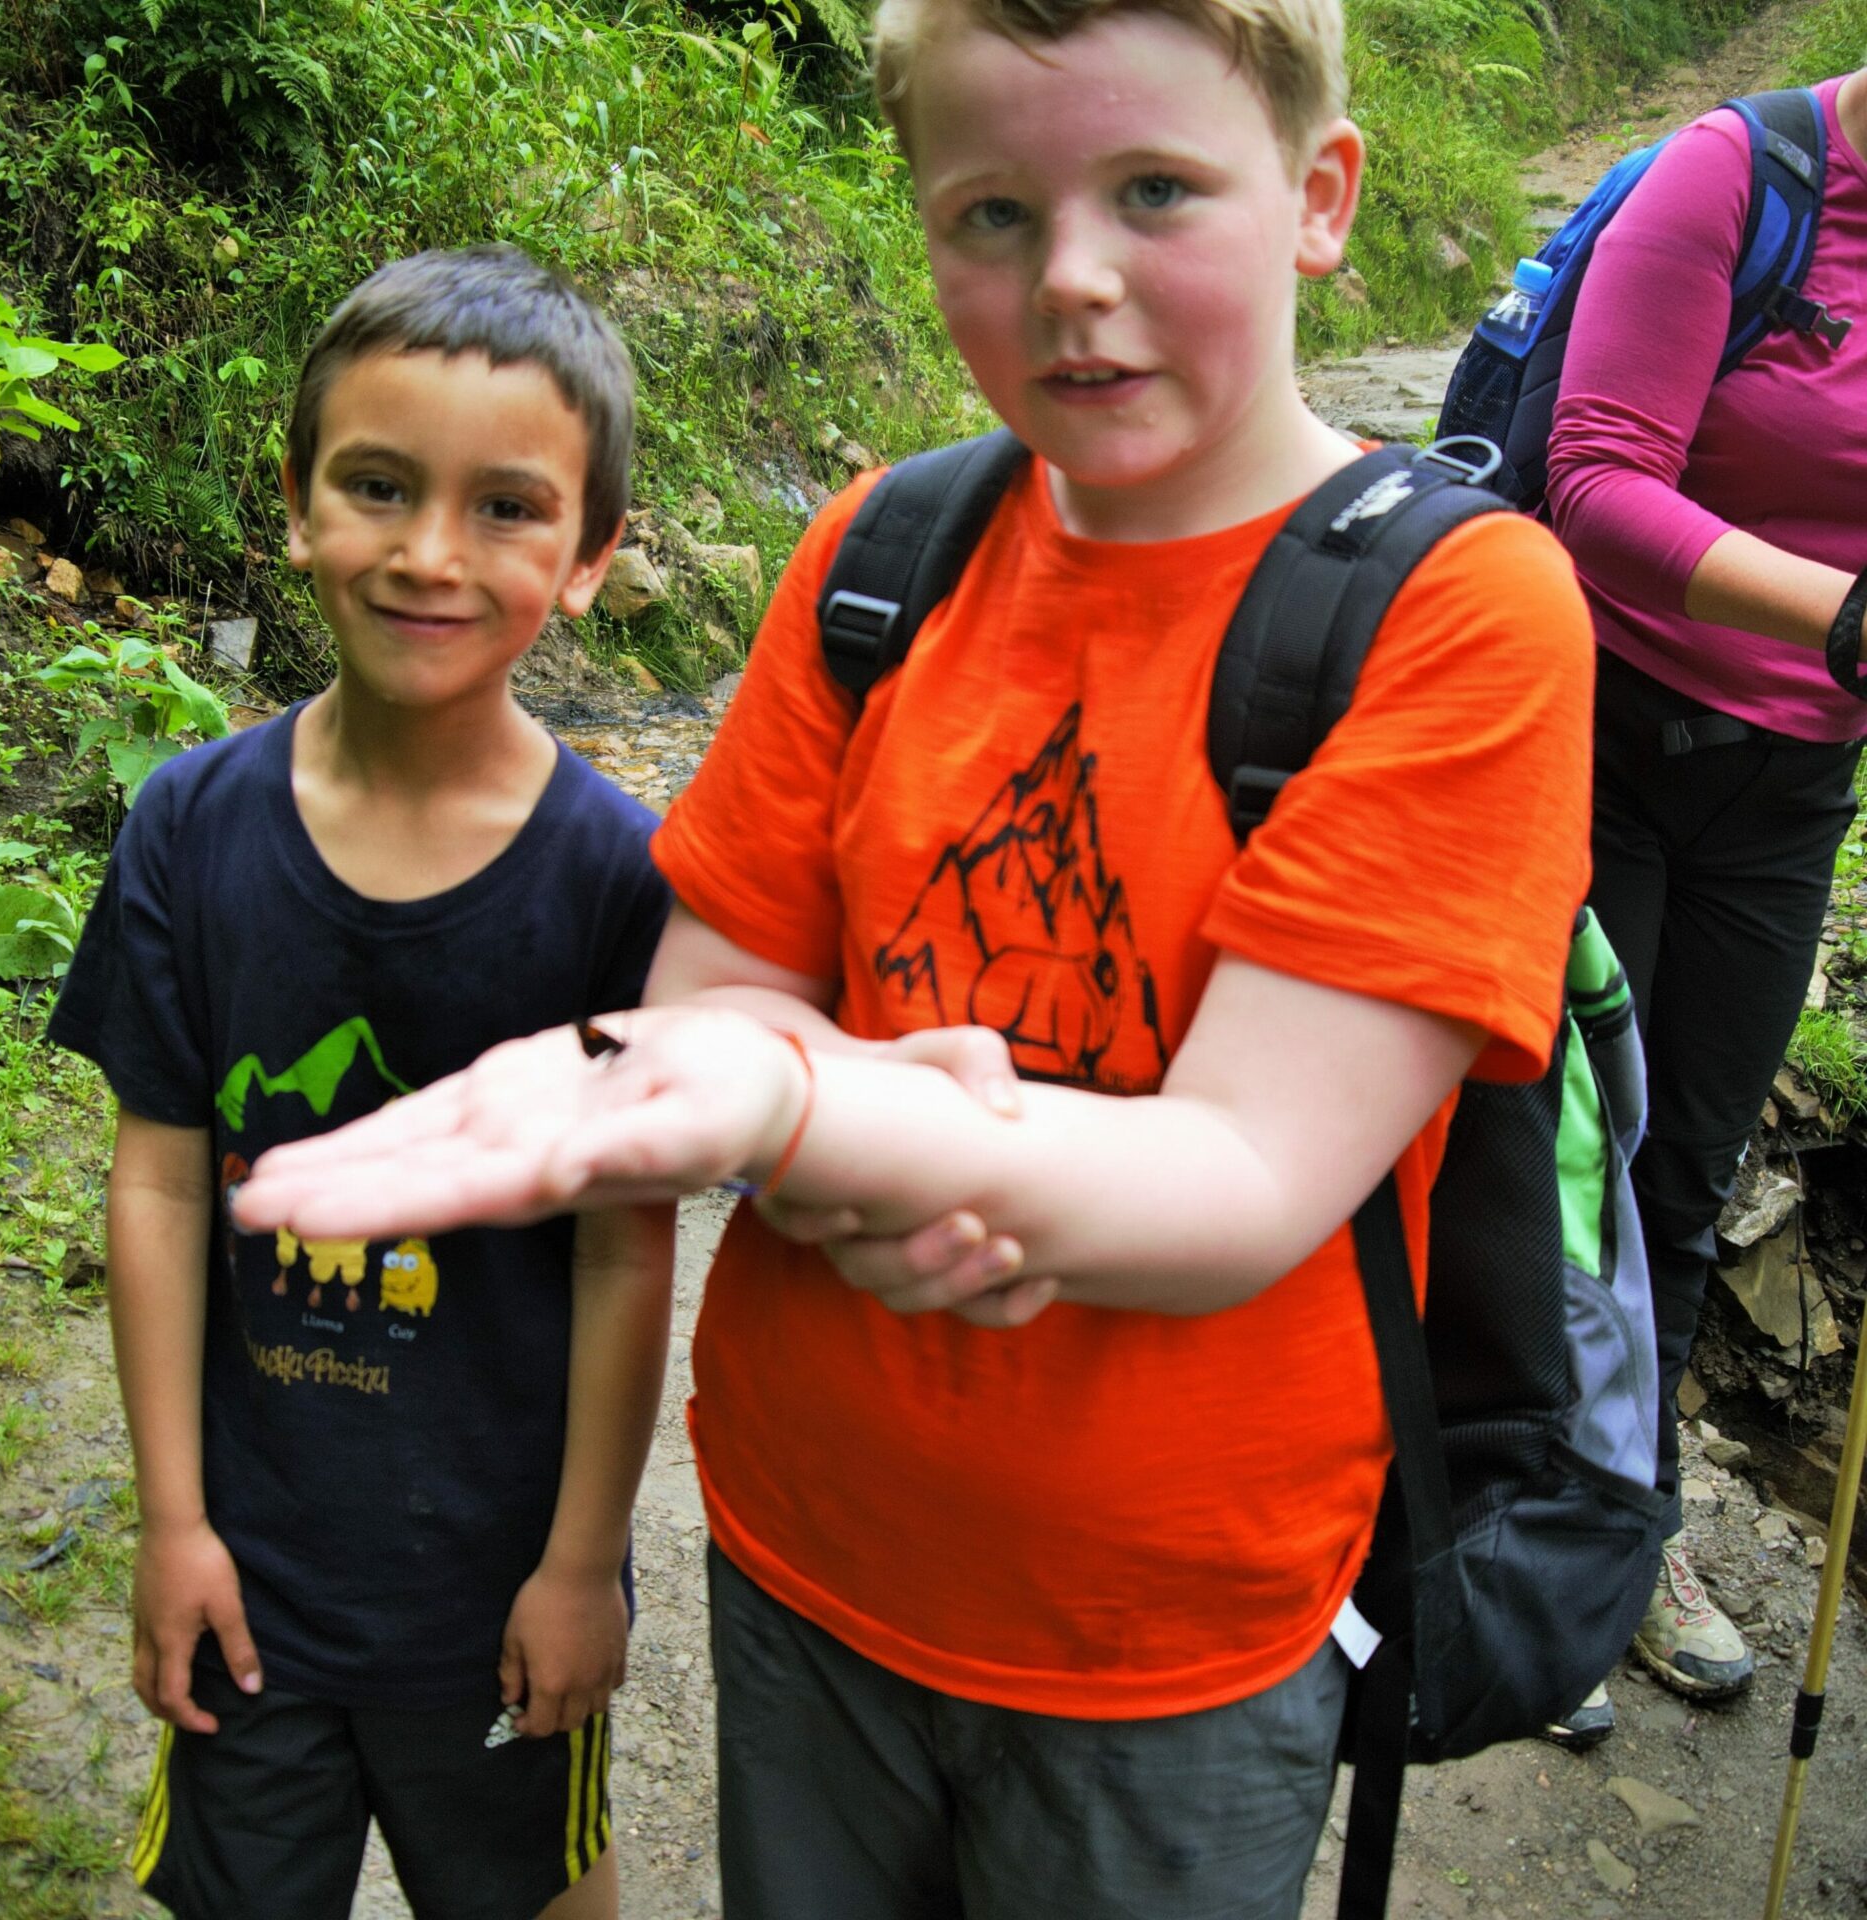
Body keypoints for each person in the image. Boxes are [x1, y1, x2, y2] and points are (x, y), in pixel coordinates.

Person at [236, 0, 1599, 1911]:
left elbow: (1242, 1178)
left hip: (1167, 1645)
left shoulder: (1461, 615)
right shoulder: (887, 553)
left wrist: (837, 1116)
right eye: (990, 215)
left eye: (1155, 193)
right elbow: (713, 989)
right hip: (809, 1558)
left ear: (1320, 197)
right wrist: (799, 1094)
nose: (1074, 284)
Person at [49, 244, 677, 1920]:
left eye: (507, 510)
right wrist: (172, 1524)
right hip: (253, 1564)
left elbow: (625, 1246)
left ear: (595, 554)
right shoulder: (189, 828)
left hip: (492, 1578)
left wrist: (578, 1566)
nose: (427, 555)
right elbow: (165, 1179)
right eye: (380, 488)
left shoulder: (621, 883)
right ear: (298, 500)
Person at [1545, 66, 1867, 1734]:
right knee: (1554, 1149)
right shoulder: (1739, 181)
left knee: (1681, 1172)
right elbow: (1594, 480)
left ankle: (1626, 1536)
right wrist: (1851, 616)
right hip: (1599, 728)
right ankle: (1502, 1538)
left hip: (1792, 787)